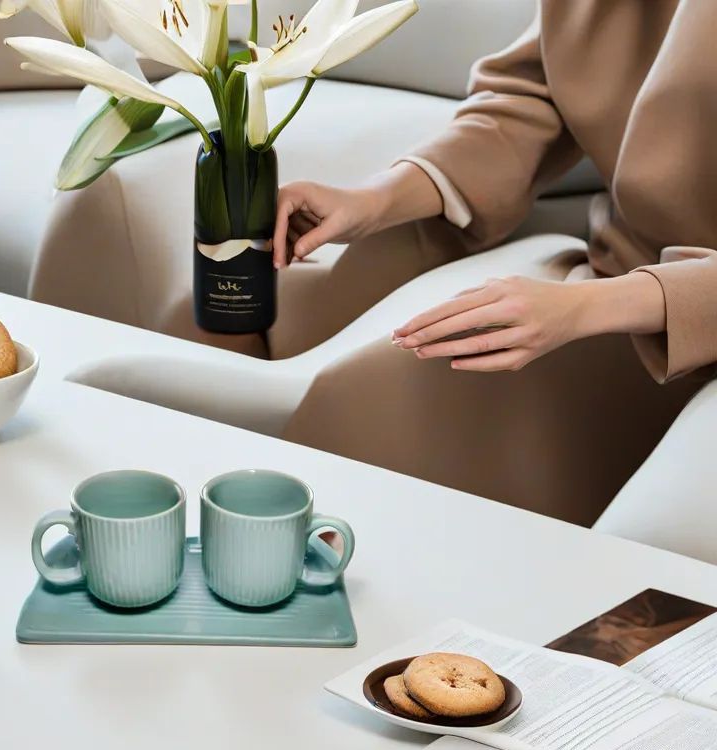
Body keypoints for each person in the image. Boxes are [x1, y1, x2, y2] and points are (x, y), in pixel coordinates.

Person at [271, 0, 715, 527]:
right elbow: (530, 100)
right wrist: (372, 199)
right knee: (345, 383)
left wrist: (589, 306)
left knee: (373, 411)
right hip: (615, 291)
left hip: (669, 326)